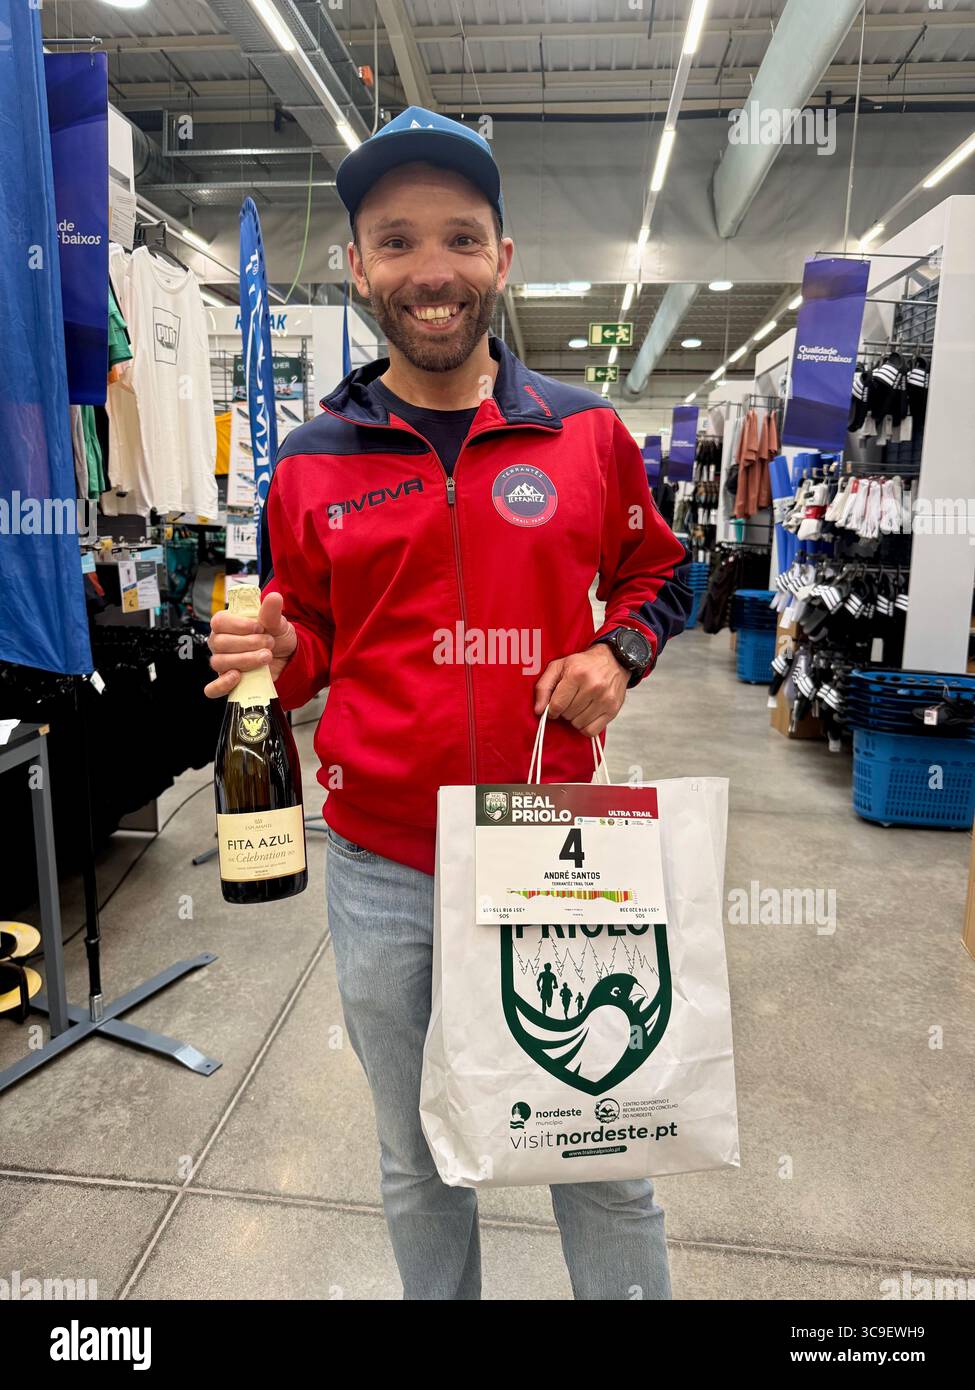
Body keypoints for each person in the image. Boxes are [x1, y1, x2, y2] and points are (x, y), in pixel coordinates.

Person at [205, 106, 691, 1301]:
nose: (434, 271)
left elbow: (662, 569)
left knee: (601, 1147)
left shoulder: (583, 433)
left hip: (560, 841)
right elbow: (312, 643)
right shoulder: (315, 459)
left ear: (503, 261)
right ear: (360, 264)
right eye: (400, 240)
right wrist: (275, 646)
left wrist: (619, 652)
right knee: (418, 1154)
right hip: (385, 865)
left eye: (462, 239)